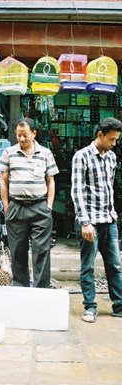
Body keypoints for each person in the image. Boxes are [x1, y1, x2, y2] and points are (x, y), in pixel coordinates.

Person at [71, 117, 122, 323]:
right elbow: (77, 191)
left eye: (116, 140)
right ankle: (90, 307)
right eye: (111, 139)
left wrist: (112, 216)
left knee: (115, 265)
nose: (114, 143)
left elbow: (109, 189)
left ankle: (119, 305)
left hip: (109, 221)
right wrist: (85, 222)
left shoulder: (111, 157)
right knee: (88, 266)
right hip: (89, 221)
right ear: (100, 134)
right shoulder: (81, 156)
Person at [0, 117, 59, 288]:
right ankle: (21, 289)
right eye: (18, 135)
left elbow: (51, 181)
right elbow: (3, 181)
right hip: (16, 207)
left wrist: (49, 206)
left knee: (41, 252)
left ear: (34, 133)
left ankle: (41, 290)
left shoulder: (46, 153)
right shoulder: (8, 153)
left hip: (40, 208)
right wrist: (6, 206)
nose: (22, 139)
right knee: (17, 251)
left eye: (25, 135)